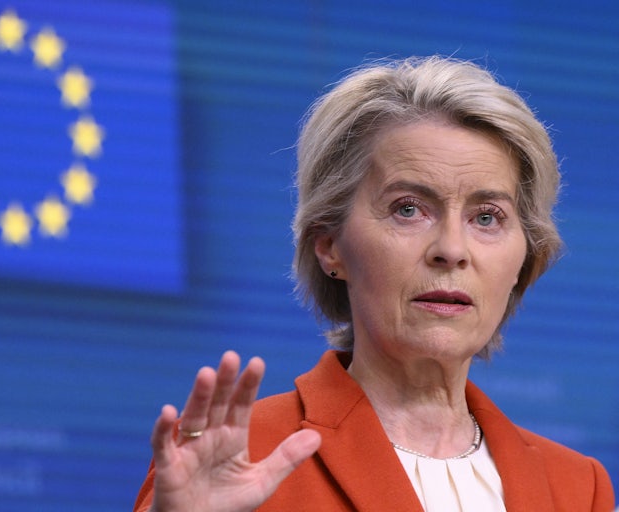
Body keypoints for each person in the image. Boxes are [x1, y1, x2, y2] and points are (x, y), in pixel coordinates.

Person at [133, 56, 616, 511]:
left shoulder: (575, 488)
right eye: (408, 208)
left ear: (524, 258)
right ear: (330, 246)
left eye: (487, 217)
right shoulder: (244, 455)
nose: (451, 248)